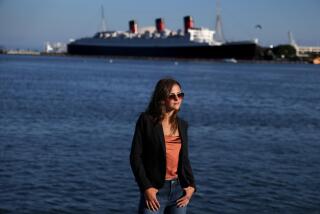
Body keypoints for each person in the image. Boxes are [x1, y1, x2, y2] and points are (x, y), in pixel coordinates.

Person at [130, 78, 196, 214]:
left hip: (179, 191)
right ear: (161, 99)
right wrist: (146, 187)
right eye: (172, 96)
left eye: (180, 95)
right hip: (155, 191)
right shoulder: (146, 121)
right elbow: (135, 157)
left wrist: (192, 186)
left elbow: (184, 160)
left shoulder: (182, 125)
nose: (177, 99)